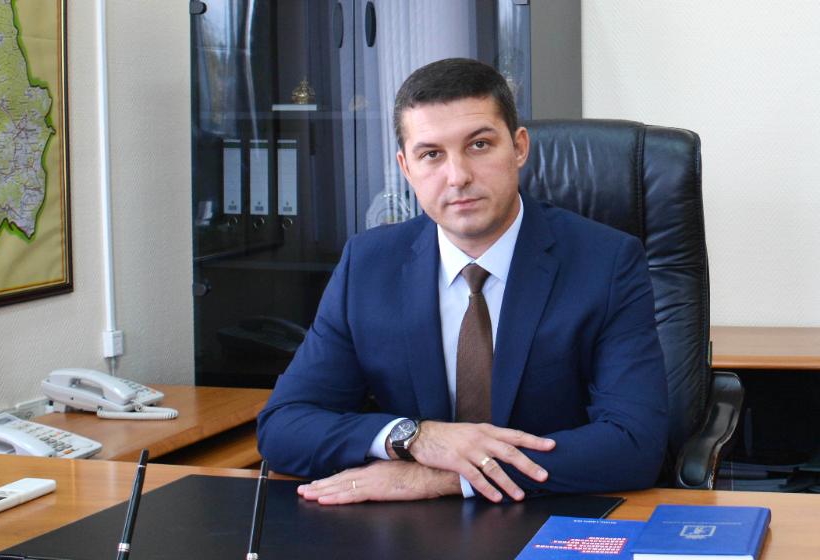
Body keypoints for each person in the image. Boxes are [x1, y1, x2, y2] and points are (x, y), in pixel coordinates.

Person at [256, 58, 668, 505]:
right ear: (406, 167)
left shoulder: (606, 262)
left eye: (479, 145)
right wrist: (414, 437)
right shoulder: (368, 265)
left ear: (519, 148)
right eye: (431, 154)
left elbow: (634, 443)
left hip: (549, 514)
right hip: (406, 530)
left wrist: (441, 478)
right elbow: (284, 426)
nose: (458, 177)